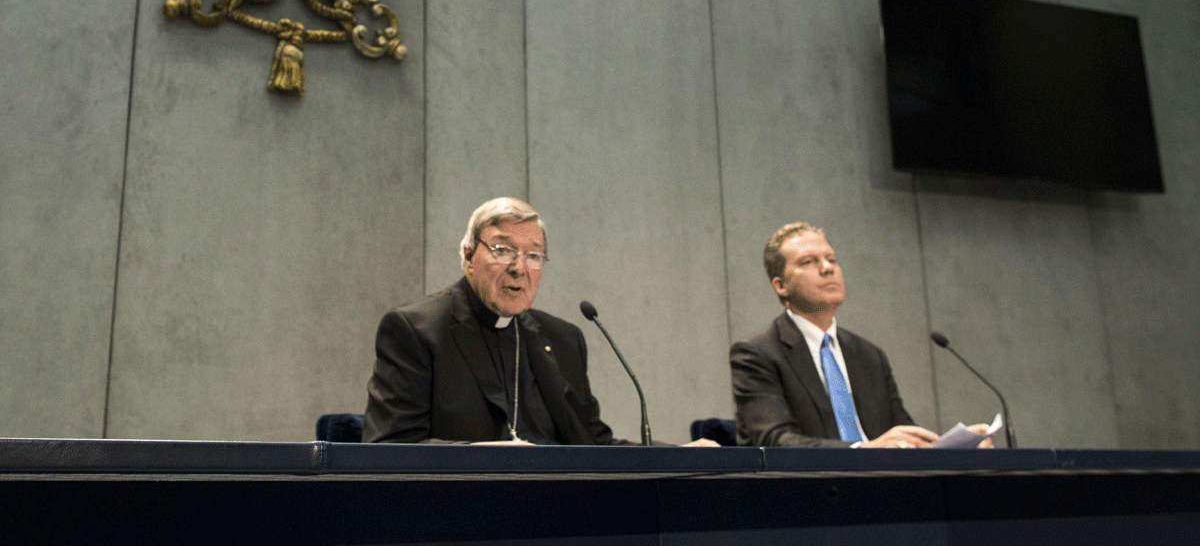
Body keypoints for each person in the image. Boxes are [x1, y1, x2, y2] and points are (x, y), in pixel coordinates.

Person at [364, 196, 716, 446]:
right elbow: (389, 448)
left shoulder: (563, 339)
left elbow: (594, 446)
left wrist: (675, 457)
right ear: (468, 256)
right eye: (502, 250)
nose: (519, 267)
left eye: (533, 255)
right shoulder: (417, 330)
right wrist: (479, 458)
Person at [731, 221, 993, 449]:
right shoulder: (757, 354)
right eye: (809, 262)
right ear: (781, 285)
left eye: (832, 259)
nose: (827, 268)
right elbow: (775, 441)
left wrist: (957, 446)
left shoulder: (869, 355)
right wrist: (862, 449)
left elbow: (903, 434)